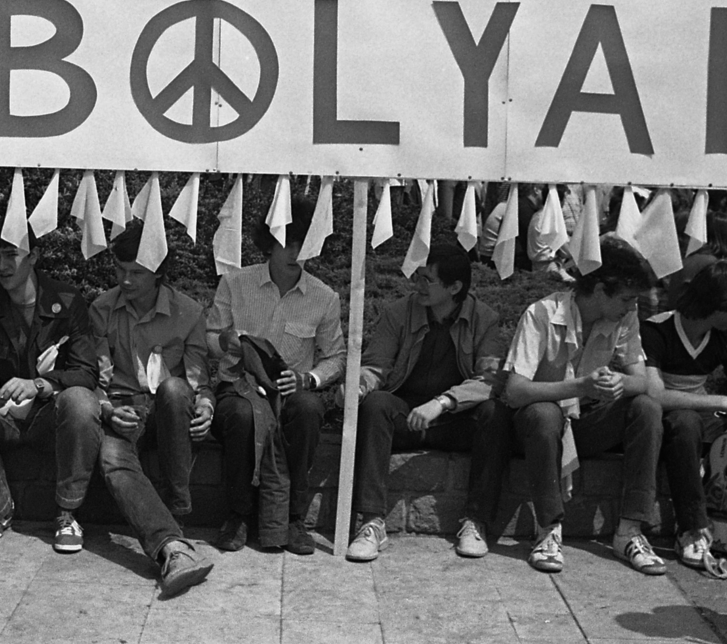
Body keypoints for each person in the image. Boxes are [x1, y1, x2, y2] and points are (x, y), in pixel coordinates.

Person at [487, 236, 665, 575]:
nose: (631, 307)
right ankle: (548, 529)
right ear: (599, 290)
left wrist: (621, 383)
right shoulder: (540, 314)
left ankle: (630, 530)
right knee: (544, 414)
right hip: (539, 430)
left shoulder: (625, 318)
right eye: (626, 298)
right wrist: (580, 386)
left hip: (586, 422)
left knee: (646, 407)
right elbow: (515, 391)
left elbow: (646, 382)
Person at [343, 243, 503, 562]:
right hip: (407, 415)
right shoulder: (398, 312)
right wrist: (358, 386)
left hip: (454, 418)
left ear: (455, 287)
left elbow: (491, 380)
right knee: (375, 405)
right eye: (418, 275)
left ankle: (476, 522)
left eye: (427, 279)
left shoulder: (485, 319)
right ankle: (371, 521)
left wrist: (443, 402)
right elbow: (376, 365)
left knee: (494, 413)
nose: (418, 285)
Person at [0, 222, 102, 553]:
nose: (1, 267)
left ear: (33, 256)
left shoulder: (67, 299)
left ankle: (68, 513)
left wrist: (40, 385)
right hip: (3, 416)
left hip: (50, 417)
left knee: (81, 401)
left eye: (10, 256)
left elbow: (86, 373)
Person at [208, 197, 343, 555]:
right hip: (238, 386)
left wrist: (309, 379)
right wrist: (229, 343)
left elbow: (336, 358)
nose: (295, 252)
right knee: (238, 415)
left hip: (290, 392)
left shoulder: (325, 297)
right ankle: (238, 515)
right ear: (269, 242)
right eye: (288, 242)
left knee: (309, 410)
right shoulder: (235, 283)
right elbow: (210, 337)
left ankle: (293, 518)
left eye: (303, 243)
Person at [86, 223, 215, 597]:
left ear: (158, 272)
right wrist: (107, 409)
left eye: (136, 273)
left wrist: (205, 404)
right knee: (112, 459)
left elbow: (196, 376)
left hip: (168, 410)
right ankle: (172, 547)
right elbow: (94, 374)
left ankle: (178, 507)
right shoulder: (102, 309)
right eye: (120, 270)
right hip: (123, 407)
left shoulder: (188, 311)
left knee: (176, 389)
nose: (125, 281)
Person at [642, 259, 727, 577]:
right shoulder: (657, 329)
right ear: (718, 304)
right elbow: (654, 394)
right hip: (663, 415)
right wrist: (722, 401)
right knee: (686, 423)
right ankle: (692, 530)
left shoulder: (726, 338)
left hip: (703, 413)